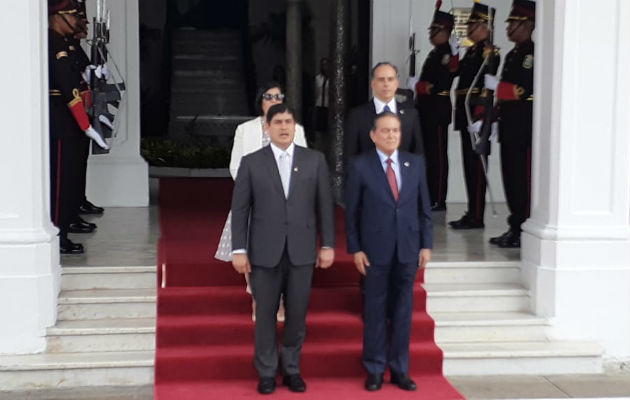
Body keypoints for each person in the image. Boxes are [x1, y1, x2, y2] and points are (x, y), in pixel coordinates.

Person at [231, 103, 335, 394]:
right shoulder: (252, 162)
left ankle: (291, 368)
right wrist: (238, 249)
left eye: (289, 121)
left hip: (301, 251)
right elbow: (240, 210)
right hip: (264, 252)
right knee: (265, 314)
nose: (284, 127)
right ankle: (266, 371)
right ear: (267, 127)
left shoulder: (314, 160)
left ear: (295, 126)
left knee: (297, 314)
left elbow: (325, 207)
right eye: (278, 122)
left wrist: (327, 244)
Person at [345, 112, 433, 392]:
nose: (391, 135)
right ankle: (374, 369)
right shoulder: (360, 166)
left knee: (404, 312)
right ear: (373, 135)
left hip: (407, 250)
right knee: (374, 311)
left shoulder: (415, 163)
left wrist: (426, 244)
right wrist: (355, 249)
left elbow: (424, 209)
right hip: (374, 251)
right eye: (385, 131)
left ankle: (400, 370)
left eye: (395, 131)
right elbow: (352, 213)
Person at [215, 82, 308, 321]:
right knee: (252, 252)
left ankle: (281, 302)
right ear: (261, 100)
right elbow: (236, 165)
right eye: (269, 96)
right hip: (254, 199)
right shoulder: (245, 129)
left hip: (287, 202)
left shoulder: (297, 129)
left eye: (279, 96)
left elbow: (305, 165)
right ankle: (258, 299)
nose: (275, 100)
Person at [48, 0, 108, 254]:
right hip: (61, 118)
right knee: (62, 178)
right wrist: (86, 123)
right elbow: (69, 87)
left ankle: (67, 219)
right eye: (72, 16)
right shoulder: (54, 44)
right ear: (56, 16)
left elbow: (80, 80)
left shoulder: (63, 44)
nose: (77, 22)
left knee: (71, 174)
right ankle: (59, 232)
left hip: (70, 117)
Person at [483, 0, 535, 248]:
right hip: (509, 125)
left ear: (527, 25)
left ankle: (523, 228)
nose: (509, 27)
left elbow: (522, 90)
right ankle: (514, 226)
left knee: (521, 181)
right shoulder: (513, 54)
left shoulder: (530, 55)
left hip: (523, 127)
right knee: (509, 179)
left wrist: (498, 88)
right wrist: (494, 118)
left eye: (513, 23)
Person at [449, 1, 501, 229]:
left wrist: (481, 117)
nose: (469, 29)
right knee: (469, 165)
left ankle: (477, 216)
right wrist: (453, 52)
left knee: (477, 166)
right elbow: (454, 72)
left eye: (473, 25)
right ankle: (472, 212)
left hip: (477, 114)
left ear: (484, 26)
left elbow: (487, 87)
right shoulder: (471, 51)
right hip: (465, 111)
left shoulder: (491, 51)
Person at [415, 6, 459, 211]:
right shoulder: (435, 53)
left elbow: (440, 84)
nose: (432, 33)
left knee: (438, 157)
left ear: (445, 31)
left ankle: (439, 198)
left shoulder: (447, 55)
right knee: (429, 155)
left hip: (437, 109)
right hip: (427, 109)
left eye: (435, 29)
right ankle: (431, 194)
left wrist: (420, 86)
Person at [344, 62, 424, 169]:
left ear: (396, 83)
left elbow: (418, 155)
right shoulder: (357, 115)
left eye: (390, 79)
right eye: (381, 79)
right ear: (373, 84)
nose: (386, 84)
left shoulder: (411, 115)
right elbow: (350, 158)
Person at [313, 57, 329, 133]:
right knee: (319, 128)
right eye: (323, 65)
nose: (325, 67)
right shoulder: (318, 78)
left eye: (326, 64)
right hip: (319, 104)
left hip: (328, 105)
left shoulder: (332, 79)